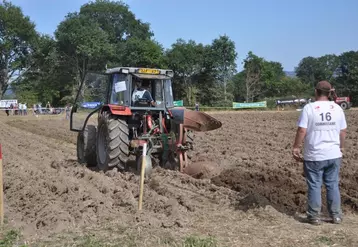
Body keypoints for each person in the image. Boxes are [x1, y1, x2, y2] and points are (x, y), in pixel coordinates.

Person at [292, 80, 347, 225]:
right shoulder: (337, 108)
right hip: (334, 154)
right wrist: (341, 146)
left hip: (315, 155)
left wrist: (296, 147)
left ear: (316, 91)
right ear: (330, 93)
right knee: (332, 184)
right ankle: (336, 215)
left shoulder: (309, 108)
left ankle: (314, 216)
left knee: (315, 185)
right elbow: (343, 131)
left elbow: (302, 130)